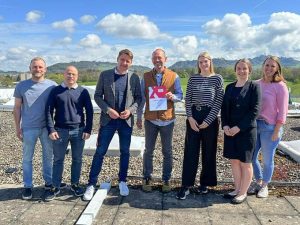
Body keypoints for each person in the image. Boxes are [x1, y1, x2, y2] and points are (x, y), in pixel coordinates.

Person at [83, 49, 141, 200]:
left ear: (131, 62)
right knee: (100, 152)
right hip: (108, 120)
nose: (124, 63)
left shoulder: (134, 77)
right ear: (117, 59)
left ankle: (122, 180)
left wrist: (130, 111)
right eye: (122, 60)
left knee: (125, 152)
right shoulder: (105, 75)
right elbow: (97, 96)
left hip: (125, 121)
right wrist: (108, 109)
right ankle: (91, 184)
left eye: (127, 61)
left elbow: (139, 99)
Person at [176, 52, 223, 200]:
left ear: (210, 62)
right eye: (201, 62)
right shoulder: (193, 78)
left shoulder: (217, 79)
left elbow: (218, 101)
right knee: (191, 152)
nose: (203, 64)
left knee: (208, 152)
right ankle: (186, 185)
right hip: (193, 118)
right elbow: (187, 99)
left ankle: (205, 184)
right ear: (198, 64)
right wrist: (190, 117)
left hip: (210, 117)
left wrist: (208, 121)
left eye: (206, 61)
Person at [137, 48, 183, 193]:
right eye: (155, 58)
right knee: (148, 150)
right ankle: (147, 177)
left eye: (160, 58)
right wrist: (138, 116)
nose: (157, 60)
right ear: (152, 60)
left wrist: (172, 97)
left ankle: (166, 179)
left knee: (167, 152)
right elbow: (142, 99)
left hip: (167, 120)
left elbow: (180, 95)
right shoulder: (144, 77)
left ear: (165, 59)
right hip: (150, 120)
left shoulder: (173, 76)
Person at [44, 66, 93, 201]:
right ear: (64, 75)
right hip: (60, 131)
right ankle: (55, 186)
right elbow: (49, 111)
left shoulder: (83, 92)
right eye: (68, 74)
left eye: (73, 74)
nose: (70, 76)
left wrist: (88, 129)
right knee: (58, 160)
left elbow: (89, 111)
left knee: (77, 159)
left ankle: (75, 184)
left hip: (79, 131)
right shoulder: (55, 91)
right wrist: (51, 129)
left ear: (77, 76)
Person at [13, 57, 57, 200]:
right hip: (28, 128)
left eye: (40, 67)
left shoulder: (52, 86)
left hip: (47, 128)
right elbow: (17, 108)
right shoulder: (21, 86)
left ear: (45, 69)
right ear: (30, 68)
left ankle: (49, 184)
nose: (37, 69)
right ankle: (27, 186)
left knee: (48, 157)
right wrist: (17, 128)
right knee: (27, 159)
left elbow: (60, 105)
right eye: (35, 67)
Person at [221, 59, 261, 204]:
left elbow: (255, 111)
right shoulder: (229, 87)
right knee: (234, 161)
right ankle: (236, 189)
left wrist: (239, 127)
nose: (241, 71)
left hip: (246, 131)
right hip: (230, 131)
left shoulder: (254, 87)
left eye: (244, 68)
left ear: (249, 70)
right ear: (235, 70)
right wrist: (225, 126)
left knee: (246, 162)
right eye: (239, 68)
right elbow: (224, 109)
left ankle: (243, 192)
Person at [249, 56, 289, 198]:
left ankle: (265, 185)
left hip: (270, 127)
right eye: (267, 65)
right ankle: (258, 181)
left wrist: (276, 131)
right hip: (255, 126)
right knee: (251, 157)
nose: (269, 68)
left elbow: (283, 112)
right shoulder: (255, 83)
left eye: (273, 66)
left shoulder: (280, 86)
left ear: (277, 68)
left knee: (267, 159)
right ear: (263, 66)